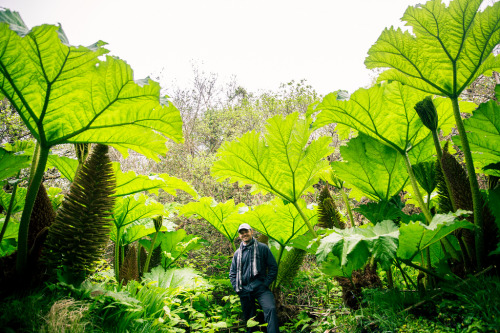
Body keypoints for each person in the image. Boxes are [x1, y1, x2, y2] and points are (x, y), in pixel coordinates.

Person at [229, 223, 280, 333]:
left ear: (251, 231)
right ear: (239, 235)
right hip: (244, 290)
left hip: (260, 288)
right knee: (249, 318)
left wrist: (265, 283)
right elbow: (232, 273)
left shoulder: (262, 248)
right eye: (241, 233)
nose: (244, 234)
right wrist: (238, 289)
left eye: (246, 231)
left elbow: (273, 267)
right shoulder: (237, 253)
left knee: (270, 309)